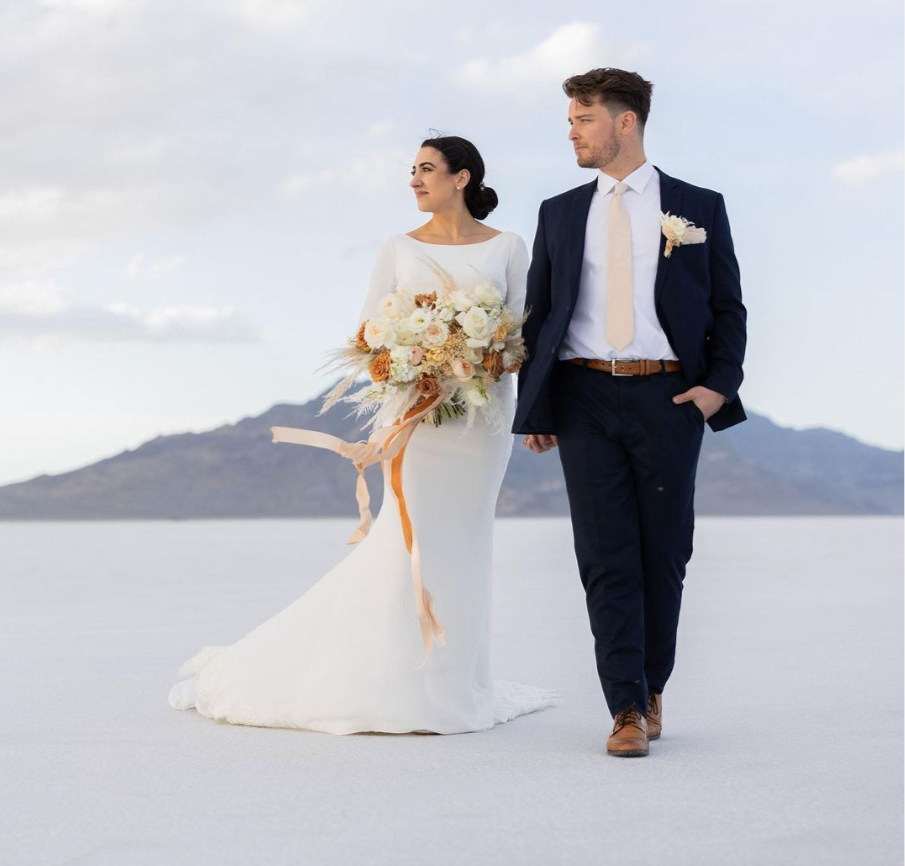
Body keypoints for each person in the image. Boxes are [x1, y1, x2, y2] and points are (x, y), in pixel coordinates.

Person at [168, 133, 558, 734]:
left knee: (467, 539)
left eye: (427, 169)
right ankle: (392, 677)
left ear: (463, 178)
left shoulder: (508, 246)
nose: (414, 180)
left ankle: (454, 680)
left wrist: (479, 356)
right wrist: (418, 354)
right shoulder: (398, 247)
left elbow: (523, 333)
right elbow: (370, 333)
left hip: (481, 420)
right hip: (413, 415)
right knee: (407, 539)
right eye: (413, 170)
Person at [514, 68, 747, 757]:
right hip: (583, 395)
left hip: (667, 396)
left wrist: (715, 387)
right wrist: (539, 405)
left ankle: (651, 688)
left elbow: (728, 307)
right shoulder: (558, 211)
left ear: (624, 122)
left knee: (663, 553)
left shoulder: (696, 205)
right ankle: (623, 706)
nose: (571, 132)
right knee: (603, 555)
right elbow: (541, 310)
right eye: (569, 120)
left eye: (582, 119)